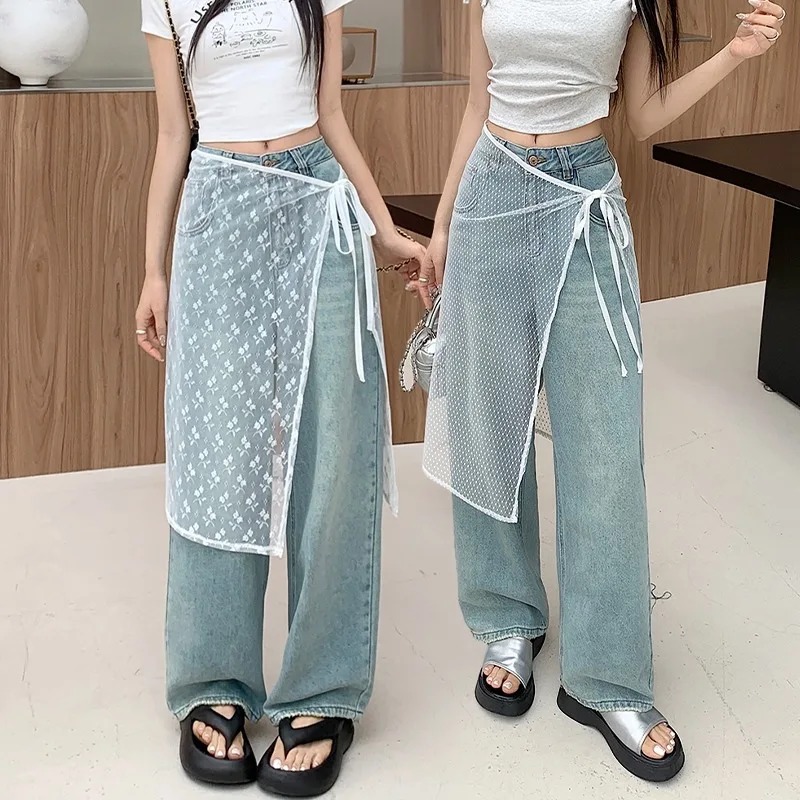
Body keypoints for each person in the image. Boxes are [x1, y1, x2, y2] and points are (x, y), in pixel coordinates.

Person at [414, 0, 787, 783]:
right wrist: (444, 225)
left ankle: (607, 677)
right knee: (488, 423)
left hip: (584, 197)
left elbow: (642, 116)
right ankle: (508, 619)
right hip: (490, 191)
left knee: (606, 450)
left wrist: (735, 56)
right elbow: (479, 102)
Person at [135, 0, 424, 795]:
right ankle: (214, 680)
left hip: (319, 205)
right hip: (219, 207)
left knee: (336, 453)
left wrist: (382, 227)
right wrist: (153, 270)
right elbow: (173, 135)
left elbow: (331, 115)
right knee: (219, 455)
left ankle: (322, 692)